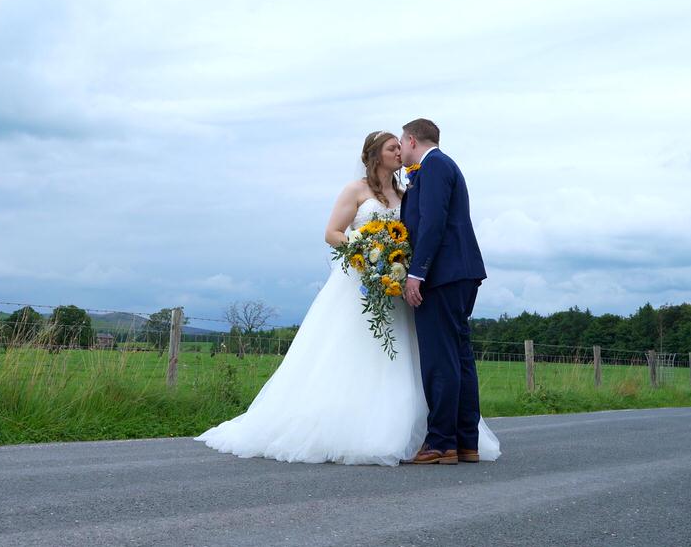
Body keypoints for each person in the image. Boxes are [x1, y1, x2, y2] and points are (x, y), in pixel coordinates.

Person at [195, 128, 498, 465]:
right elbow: (332, 233)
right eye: (391, 148)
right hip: (362, 280)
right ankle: (392, 431)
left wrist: (402, 265)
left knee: (423, 356)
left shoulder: (407, 191)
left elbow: (424, 229)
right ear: (373, 155)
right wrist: (367, 250)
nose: (398, 152)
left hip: (399, 283)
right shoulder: (356, 191)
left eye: (400, 146)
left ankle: (440, 436)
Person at [398, 117, 489, 465]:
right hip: (459, 273)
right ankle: (466, 442)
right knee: (460, 357)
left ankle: (441, 443)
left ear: (411, 139)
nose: (401, 150)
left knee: (440, 360)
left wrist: (416, 273)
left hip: (443, 275)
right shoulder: (441, 166)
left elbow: (432, 222)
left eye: (401, 143)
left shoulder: (434, 166)